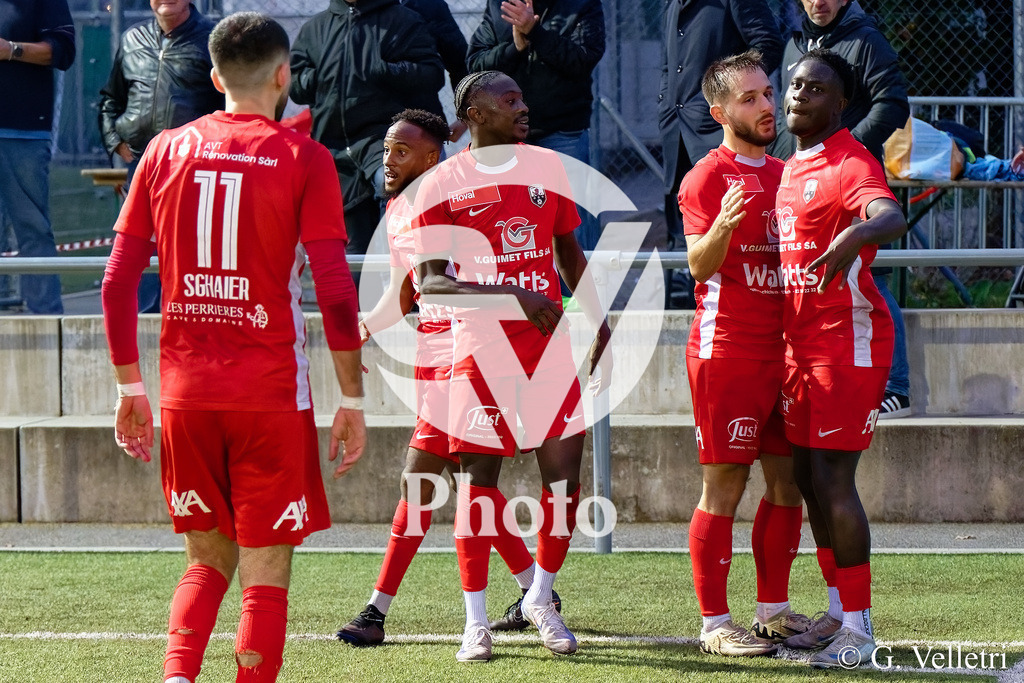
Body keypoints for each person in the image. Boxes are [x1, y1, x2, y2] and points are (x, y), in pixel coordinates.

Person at [100, 12, 366, 682]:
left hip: (187, 394)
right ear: (283, 77)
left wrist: (132, 389)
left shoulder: (163, 149)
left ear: (214, 76)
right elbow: (335, 290)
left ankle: (176, 676)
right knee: (265, 569)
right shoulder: (304, 158)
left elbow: (116, 282)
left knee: (205, 559)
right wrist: (353, 397)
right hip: (270, 395)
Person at [336, 108, 555, 646]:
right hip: (439, 357)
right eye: (387, 149)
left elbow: (468, 280)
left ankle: (378, 611)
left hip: (470, 352)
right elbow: (406, 294)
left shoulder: (450, 197)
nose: (388, 160)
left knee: (433, 481)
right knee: (458, 484)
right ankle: (535, 591)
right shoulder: (401, 208)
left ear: (433, 157)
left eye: (402, 151)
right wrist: (362, 328)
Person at [413, 71, 611, 662]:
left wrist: (597, 316)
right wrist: (513, 295)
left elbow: (569, 252)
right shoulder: (441, 184)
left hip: (550, 349)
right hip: (483, 352)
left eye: (525, 97)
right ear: (473, 112)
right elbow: (433, 282)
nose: (523, 107)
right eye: (510, 100)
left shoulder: (547, 168)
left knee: (564, 484)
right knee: (479, 488)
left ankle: (540, 598)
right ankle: (475, 622)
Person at [774, 48, 907, 667]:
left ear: (842, 103)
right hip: (798, 348)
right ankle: (835, 610)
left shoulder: (851, 161)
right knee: (804, 479)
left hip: (845, 344)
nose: (799, 94)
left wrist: (855, 233)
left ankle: (860, 629)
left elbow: (888, 215)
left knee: (832, 480)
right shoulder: (791, 164)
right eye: (795, 84)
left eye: (816, 88)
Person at [678, 50, 809, 657]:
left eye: (767, 94)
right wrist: (725, 225)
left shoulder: (789, 172)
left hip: (788, 352)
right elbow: (697, 266)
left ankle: (774, 612)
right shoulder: (706, 177)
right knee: (725, 486)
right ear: (719, 111)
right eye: (750, 98)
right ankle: (713, 624)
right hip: (727, 351)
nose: (766, 106)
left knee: (787, 483)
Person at [772, 0, 911, 419]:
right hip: (800, 176)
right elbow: (789, 114)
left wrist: (843, 152)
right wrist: (791, 161)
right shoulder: (794, 42)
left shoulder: (867, 40)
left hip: (843, 177)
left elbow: (893, 102)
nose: (821, 2)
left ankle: (898, 388)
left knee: (872, 277)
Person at [289, 0, 445, 257]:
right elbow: (294, 83)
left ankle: (400, 283)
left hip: (382, 139)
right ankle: (363, 295)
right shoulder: (314, 28)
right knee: (353, 252)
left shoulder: (403, 21)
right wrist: (314, 78)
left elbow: (431, 74)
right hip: (334, 148)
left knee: (390, 190)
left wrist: (386, 70)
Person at [99, 0, 225, 314]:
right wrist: (115, 140)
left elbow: (230, 104)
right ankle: (141, 320)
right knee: (138, 250)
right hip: (140, 165)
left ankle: (190, 312)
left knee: (191, 253)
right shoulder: (131, 40)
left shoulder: (215, 40)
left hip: (197, 170)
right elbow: (110, 99)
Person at [658, 0, 783, 309]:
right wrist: (665, 103)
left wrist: (735, 96)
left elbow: (767, 44)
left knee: (740, 233)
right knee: (681, 235)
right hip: (678, 132)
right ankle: (682, 318)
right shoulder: (670, 4)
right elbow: (670, 64)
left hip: (717, 131)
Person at [466, 0, 605, 250]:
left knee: (571, 228)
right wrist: (514, 48)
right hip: (506, 138)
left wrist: (535, 32)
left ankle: (579, 289)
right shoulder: (499, 5)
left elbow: (583, 58)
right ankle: (527, 288)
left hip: (562, 133)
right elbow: (476, 65)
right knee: (512, 225)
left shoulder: (581, 4)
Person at [0, 0, 75, 314]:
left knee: (32, 228)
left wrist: (11, 50)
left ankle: (46, 320)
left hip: (23, 131)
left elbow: (63, 51)